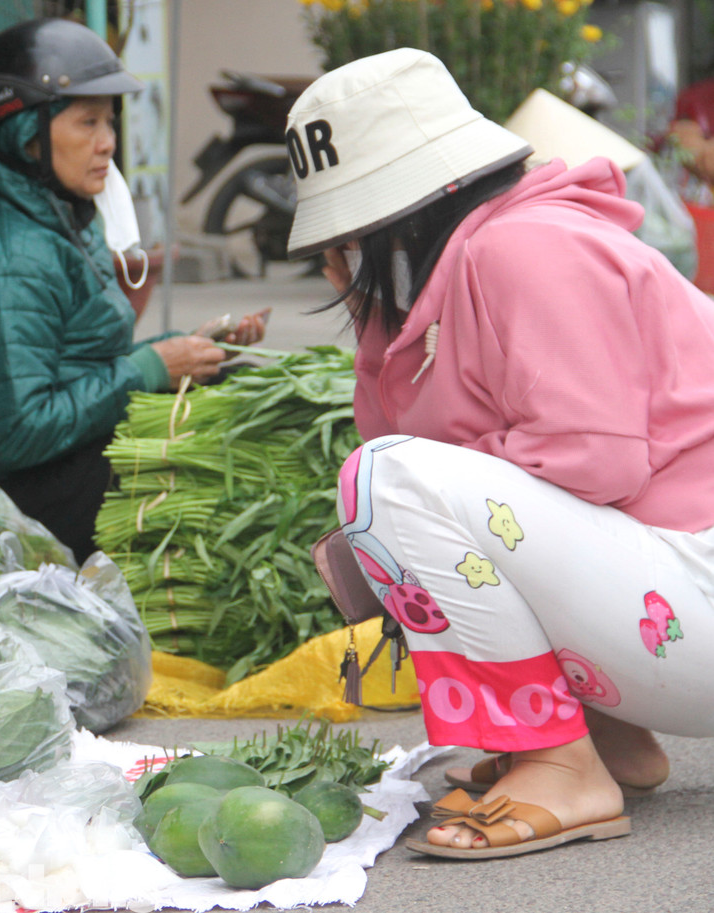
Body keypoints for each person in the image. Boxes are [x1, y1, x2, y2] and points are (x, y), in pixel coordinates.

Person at [287, 48, 714, 859]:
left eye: (342, 233)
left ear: (393, 216)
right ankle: (602, 739)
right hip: (680, 598)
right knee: (390, 486)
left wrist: (399, 504)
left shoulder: (526, 248)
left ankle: (563, 762)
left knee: (389, 483)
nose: (331, 257)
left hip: (697, 591)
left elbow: (596, 461)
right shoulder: (449, 279)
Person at [0, 17, 268, 561]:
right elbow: (20, 431)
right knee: (210, 458)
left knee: (237, 392)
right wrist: (151, 367)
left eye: (111, 123)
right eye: (87, 123)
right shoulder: (9, 255)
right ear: (25, 137)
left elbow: (81, 367)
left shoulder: (57, 225)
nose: (107, 144)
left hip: (46, 467)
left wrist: (191, 348)